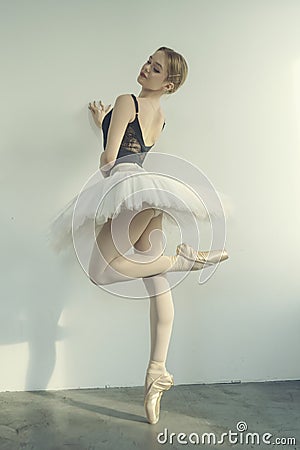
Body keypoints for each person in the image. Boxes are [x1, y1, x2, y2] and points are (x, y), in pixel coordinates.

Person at [48, 46, 229, 425]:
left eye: (156, 67)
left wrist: (106, 134)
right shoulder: (160, 117)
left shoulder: (126, 100)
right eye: (149, 61)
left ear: (169, 83)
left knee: (100, 272)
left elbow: (111, 161)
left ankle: (184, 260)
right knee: (157, 283)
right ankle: (156, 372)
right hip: (151, 196)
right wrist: (104, 122)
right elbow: (134, 144)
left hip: (129, 193)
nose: (146, 67)